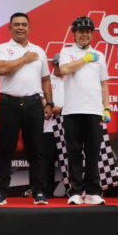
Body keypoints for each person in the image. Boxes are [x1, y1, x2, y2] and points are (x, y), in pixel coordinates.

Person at [0, 12, 54, 206]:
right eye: (16, 24)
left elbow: (45, 79)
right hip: (9, 104)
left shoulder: (39, 50)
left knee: (36, 150)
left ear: (29, 28)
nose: (20, 27)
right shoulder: (2, 48)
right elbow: (1, 69)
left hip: (34, 104)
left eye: (24, 24)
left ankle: (39, 192)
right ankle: (0, 193)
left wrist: (49, 103)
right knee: (5, 149)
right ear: (9, 28)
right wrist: (24, 59)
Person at [59, 16, 110, 205]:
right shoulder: (66, 52)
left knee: (93, 151)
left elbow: (104, 83)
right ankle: (75, 191)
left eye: (88, 31)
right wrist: (85, 59)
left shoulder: (100, 55)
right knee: (73, 151)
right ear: (74, 34)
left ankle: (93, 191)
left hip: (94, 110)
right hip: (72, 110)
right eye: (81, 31)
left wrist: (107, 107)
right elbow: (64, 69)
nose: (85, 34)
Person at [42, 54, 64, 198]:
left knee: (69, 161)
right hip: (49, 126)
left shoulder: (72, 79)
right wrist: (50, 106)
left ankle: (71, 190)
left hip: (68, 127)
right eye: (57, 65)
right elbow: (39, 96)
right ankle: (46, 192)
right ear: (53, 65)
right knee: (47, 161)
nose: (60, 67)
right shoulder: (47, 80)